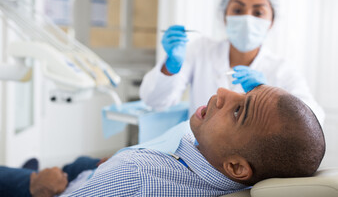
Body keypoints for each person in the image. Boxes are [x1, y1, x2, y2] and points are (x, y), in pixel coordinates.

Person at [0, 85, 325, 196]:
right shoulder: (238, 172)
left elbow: (126, 179)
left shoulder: (133, 176)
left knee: (31, 177)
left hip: (68, 185)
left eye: (240, 111)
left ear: (238, 166)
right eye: (245, 92)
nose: (224, 92)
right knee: (78, 162)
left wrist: (40, 189)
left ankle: (29, 178)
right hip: (103, 168)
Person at [140, 0, 325, 126]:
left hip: (253, 164)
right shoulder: (201, 50)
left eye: (258, 13)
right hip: (198, 153)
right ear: (224, 17)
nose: (247, 18)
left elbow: (314, 118)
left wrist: (269, 95)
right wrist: (171, 66)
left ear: (272, 22)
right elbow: (154, 101)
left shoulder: (281, 69)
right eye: (237, 10)